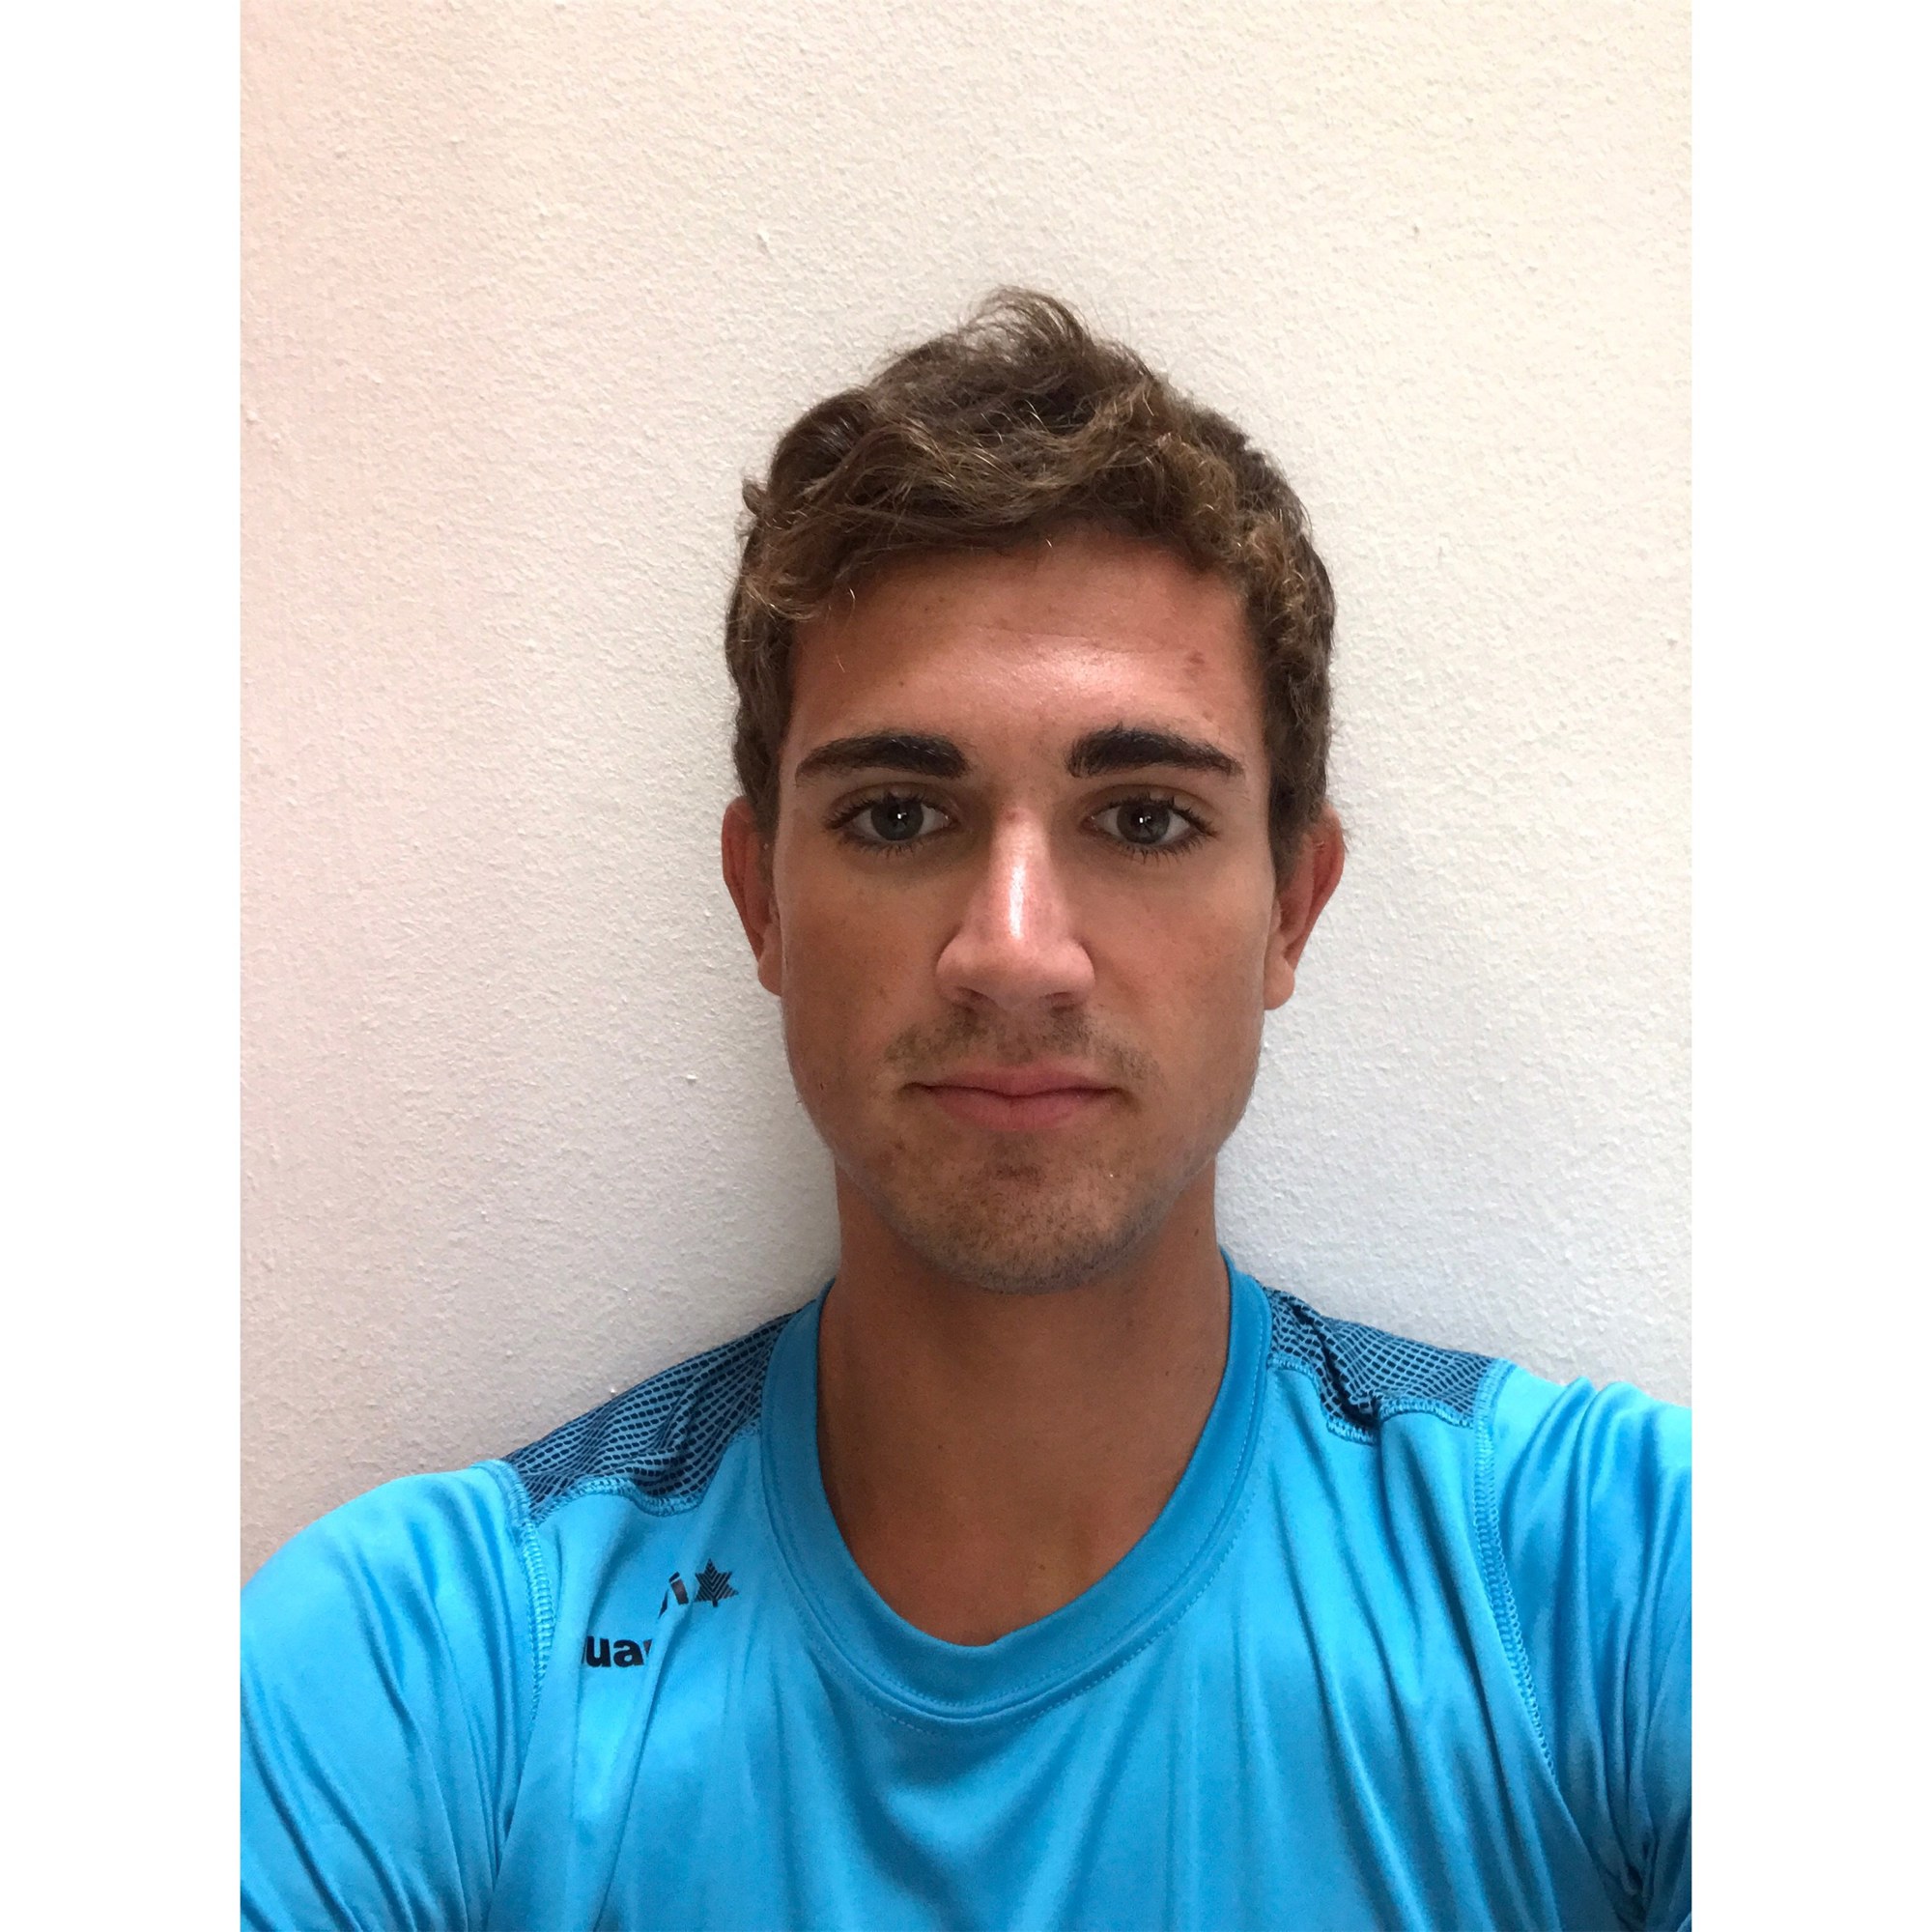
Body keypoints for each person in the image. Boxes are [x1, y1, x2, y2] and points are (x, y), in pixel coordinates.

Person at [242, 292, 1690, 1931]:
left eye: (1143, 818)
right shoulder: (429, 1672)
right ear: (762, 901)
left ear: (1292, 906)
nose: (1014, 950)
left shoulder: (1610, 1589)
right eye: (897, 814)